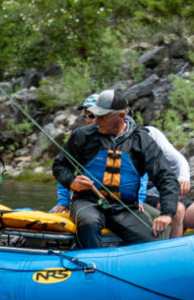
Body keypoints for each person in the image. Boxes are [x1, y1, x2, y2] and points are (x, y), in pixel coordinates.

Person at [51, 89, 180, 249]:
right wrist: (72, 181)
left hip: (125, 208)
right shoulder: (83, 136)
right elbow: (60, 166)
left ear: (121, 116)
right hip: (87, 202)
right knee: (89, 223)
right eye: (96, 115)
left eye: (103, 117)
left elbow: (166, 177)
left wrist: (166, 214)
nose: (97, 121)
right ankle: (90, 261)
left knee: (153, 242)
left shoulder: (142, 141)